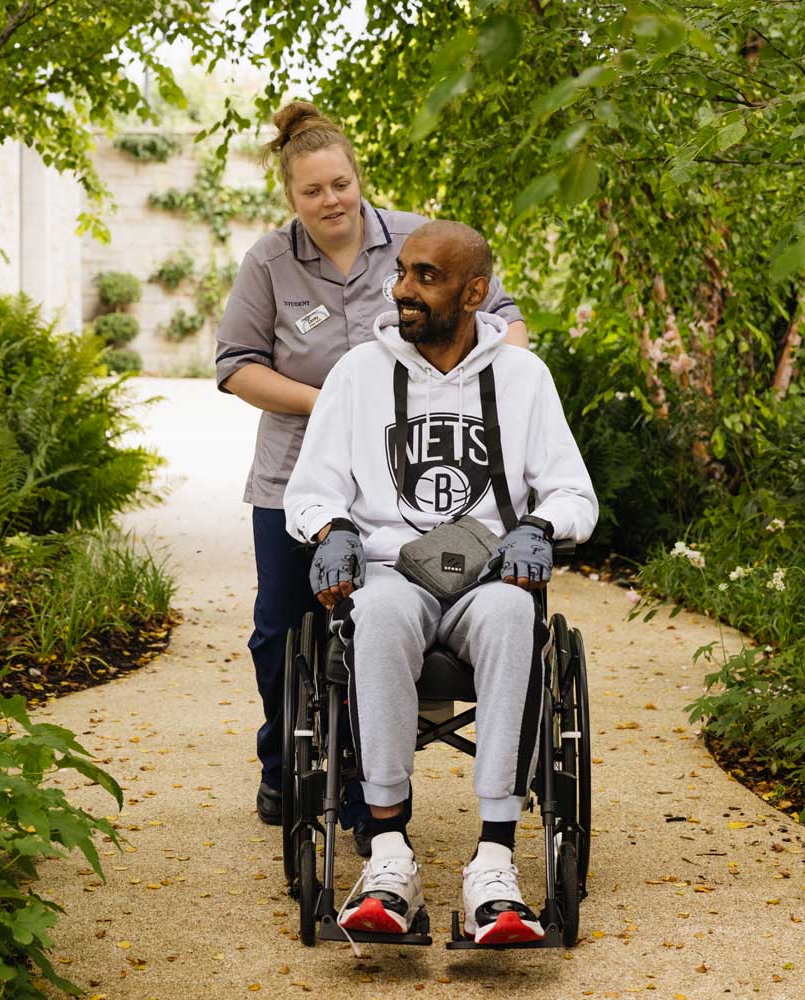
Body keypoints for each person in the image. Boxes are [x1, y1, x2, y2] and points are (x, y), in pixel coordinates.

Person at [214, 100, 530, 842]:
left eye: (340, 185)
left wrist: (493, 384)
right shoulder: (268, 262)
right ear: (290, 198)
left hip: (410, 480)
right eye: (312, 191)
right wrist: (337, 402)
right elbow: (237, 369)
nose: (330, 202)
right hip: (299, 478)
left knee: (369, 625)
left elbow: (505, 320)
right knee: (279, 631)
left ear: (359, 179)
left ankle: (363, 792)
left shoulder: (417, 243)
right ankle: (282, 757)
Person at [283, 220, 598, 944]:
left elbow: (574, 493)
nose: (403, 290)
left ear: (475, 292)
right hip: (394, 570)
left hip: (490, 573)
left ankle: (494, 863)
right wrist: (332, 532)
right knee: (381, 613)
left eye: (426, 276)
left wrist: (539, 529)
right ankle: (389, 857)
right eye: (402, 273)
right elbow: (311, 489)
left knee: (514, 615)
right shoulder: (360, 373)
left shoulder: (524, 378)